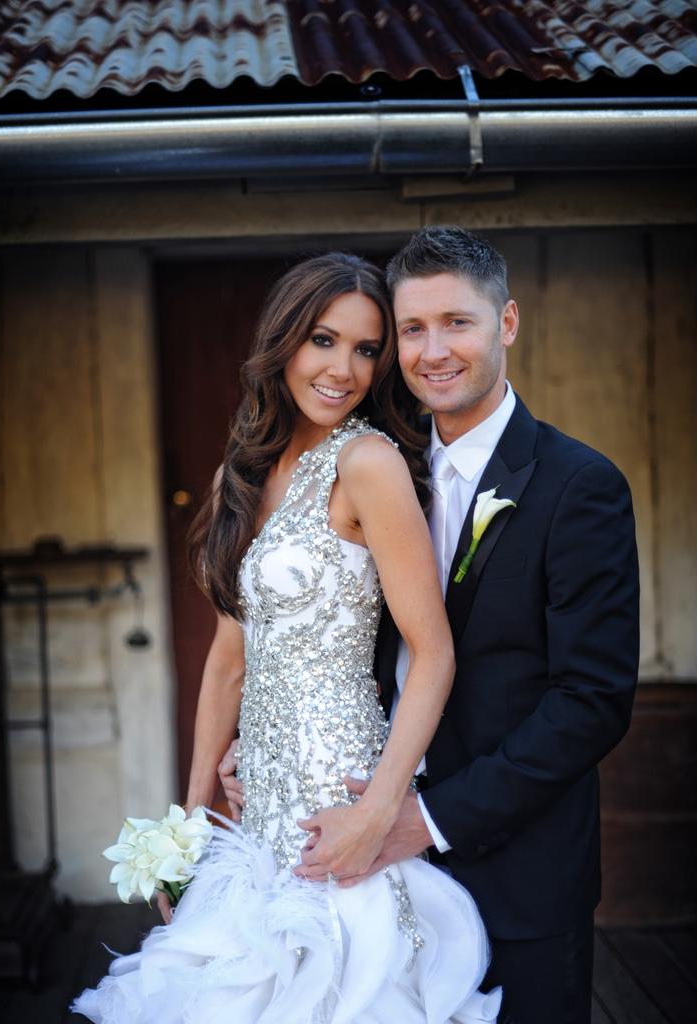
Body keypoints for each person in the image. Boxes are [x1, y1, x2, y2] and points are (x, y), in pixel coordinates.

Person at [72, 252, 501, 1023]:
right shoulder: (241, 472)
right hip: (259, 804)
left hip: (339, 792)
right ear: (284, 343)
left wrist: (378, 811)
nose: (345, 369)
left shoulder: (368, 464)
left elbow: (433, 653)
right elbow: (227, 662)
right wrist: (193, 822)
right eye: (324, 341)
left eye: (367, 349)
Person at [224, 227, 636, 1024]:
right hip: (374, 869)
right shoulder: (384, 465)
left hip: (517, 873)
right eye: (412, 329)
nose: (432, 350)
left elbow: (591, 701)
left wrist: (422, 818)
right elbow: (333, 638)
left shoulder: (578, 485)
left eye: (458, 322)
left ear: (506, 324)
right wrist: (269, 742)